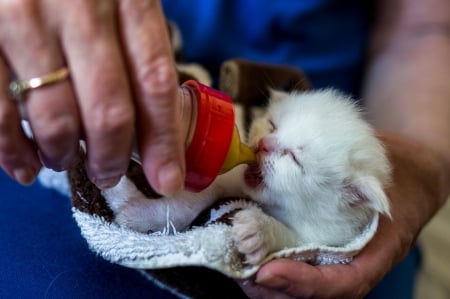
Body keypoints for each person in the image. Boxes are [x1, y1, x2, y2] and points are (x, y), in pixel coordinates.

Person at [0, 0, 449, 298]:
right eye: (270, 127)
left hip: (340, 97)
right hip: (67, 76)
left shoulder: (341, 186)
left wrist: (428, 161)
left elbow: (429, 27)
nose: (263, 144)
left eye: (289, 158)